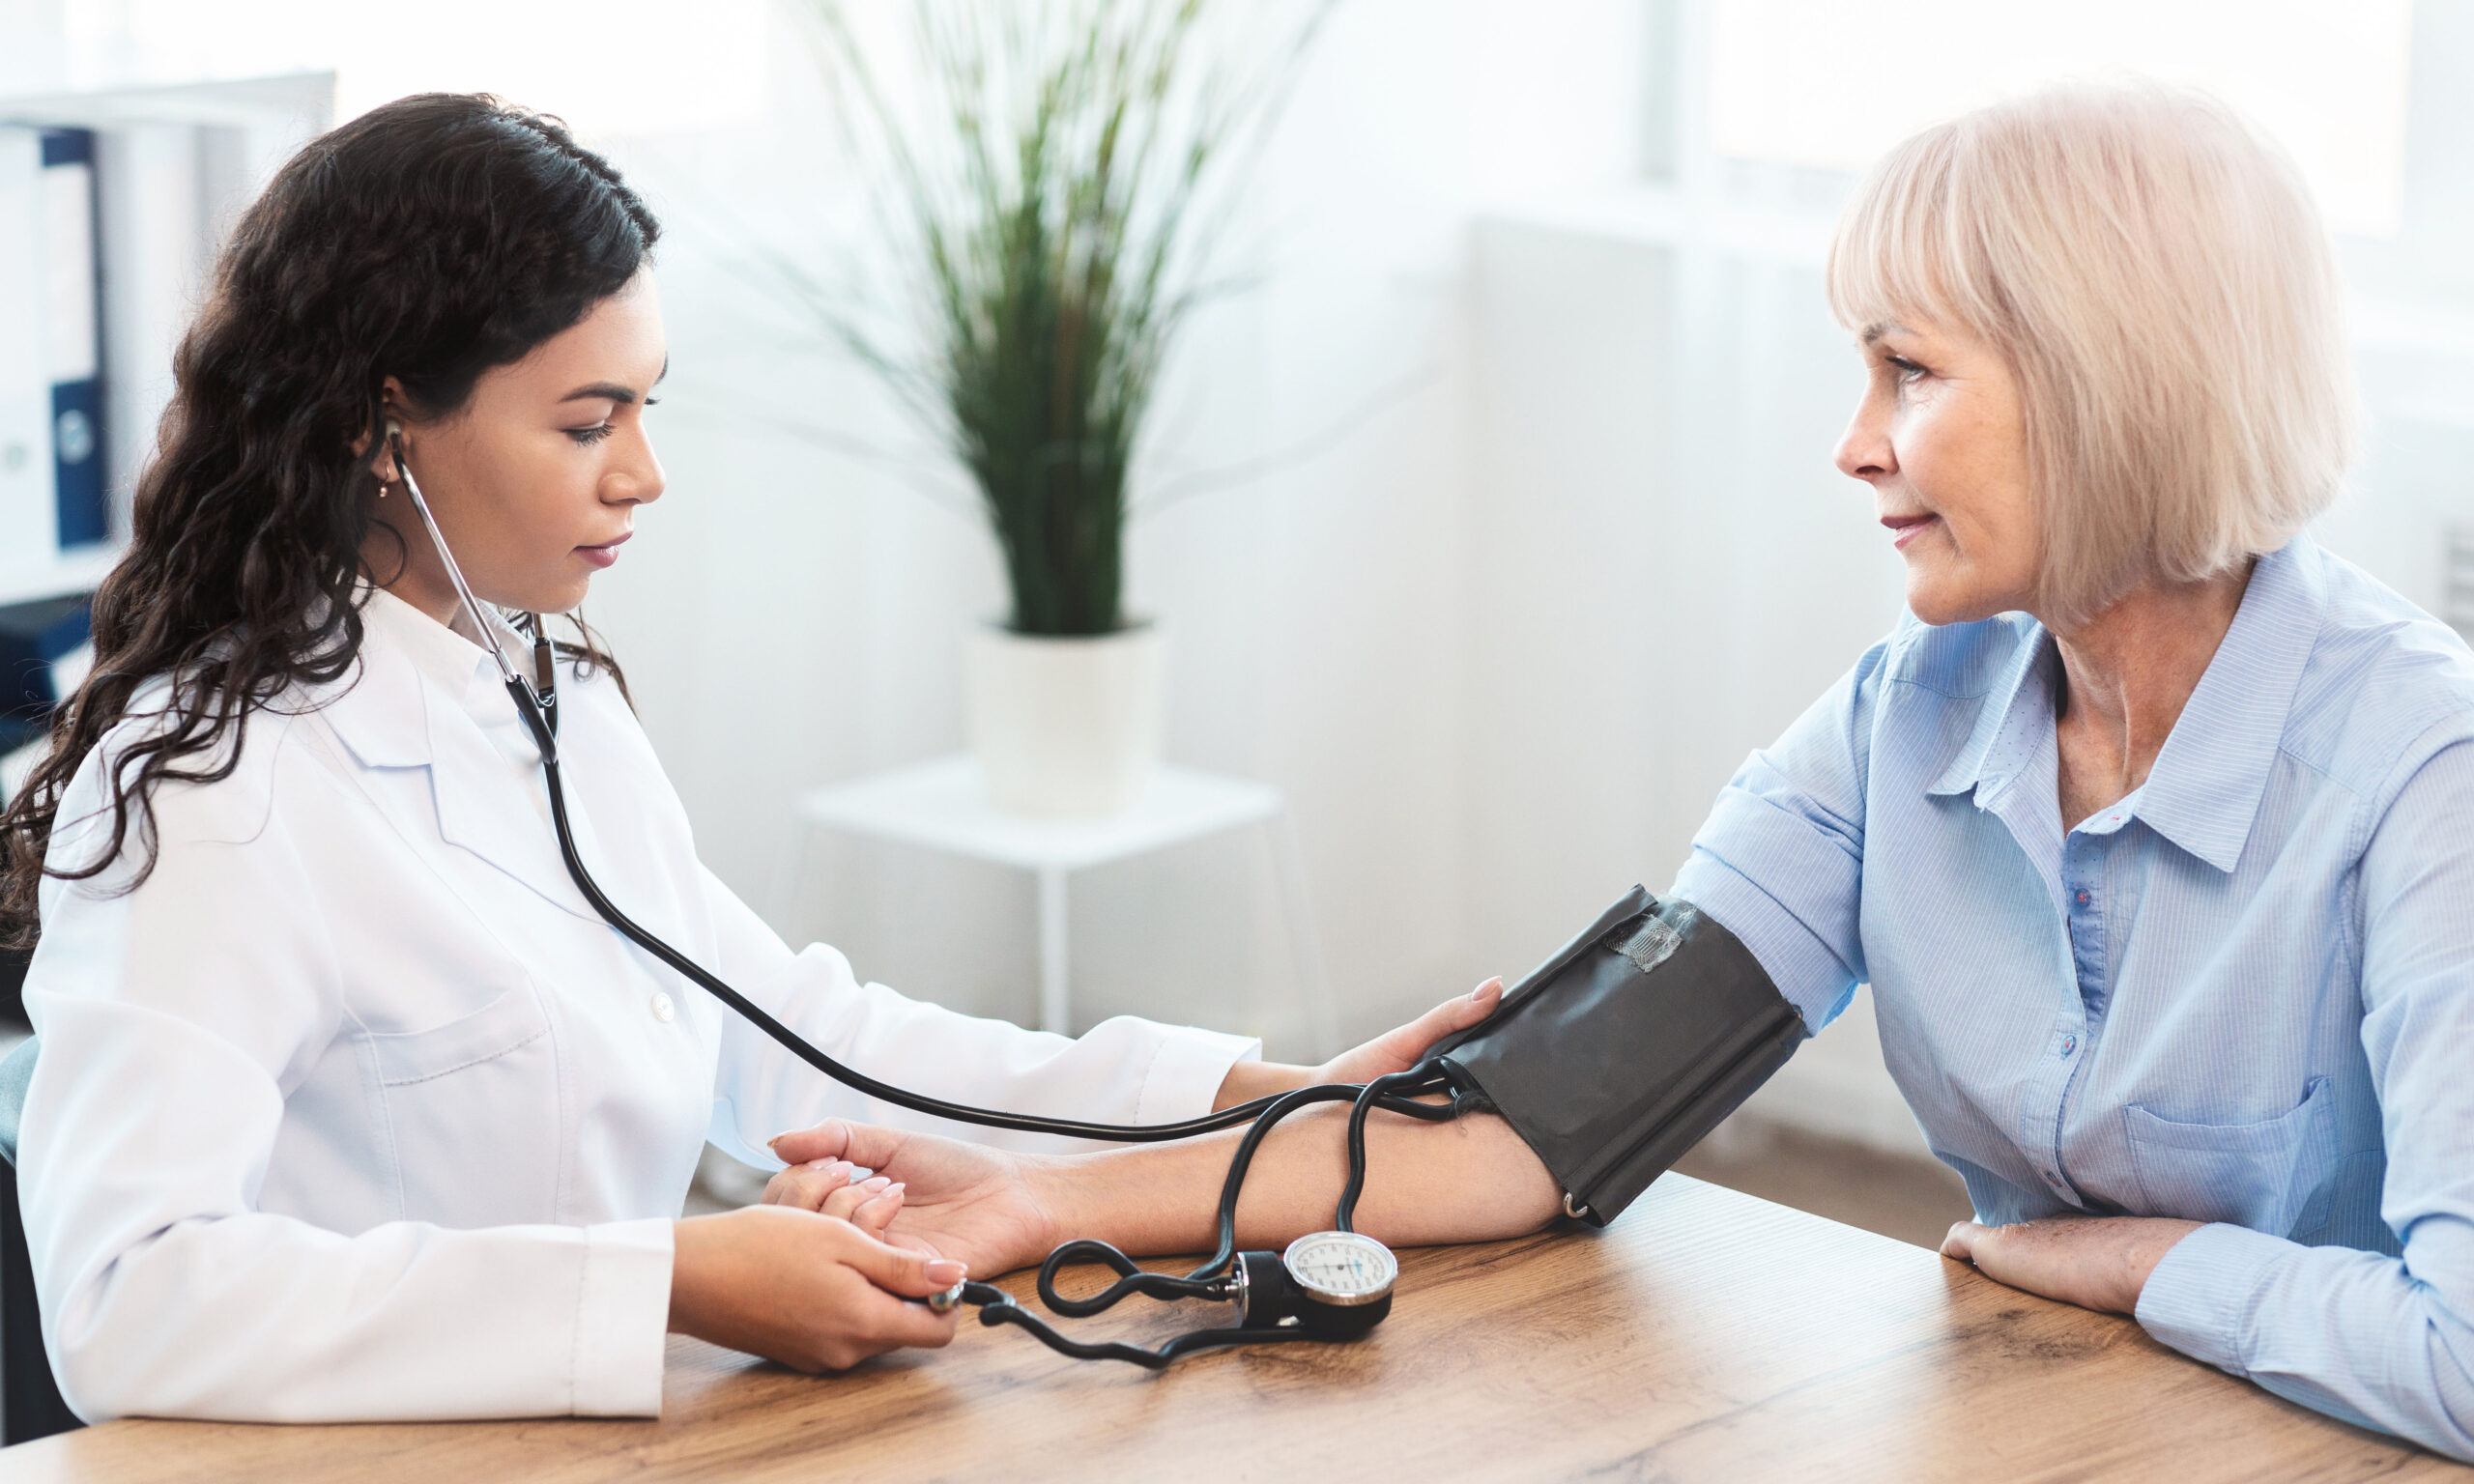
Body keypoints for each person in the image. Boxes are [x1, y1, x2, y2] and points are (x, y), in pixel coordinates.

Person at [793, 86, 2474, 1462]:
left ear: (2111, 382)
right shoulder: (1917, 712)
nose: (1856, 441)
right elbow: (1533, 1123)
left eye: (1913, 368)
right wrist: (1038, 1197)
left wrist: (2161, 1266)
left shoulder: (2425, 773)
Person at [0, 93, 1496, 1423]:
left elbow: (798, 1038)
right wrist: (668, 1281)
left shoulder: (541, 694)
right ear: (385, 426)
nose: (646, 475)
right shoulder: (211, 793)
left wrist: (1263, 1093)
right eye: (590, 421)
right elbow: (127, 1303)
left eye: (649, 407)